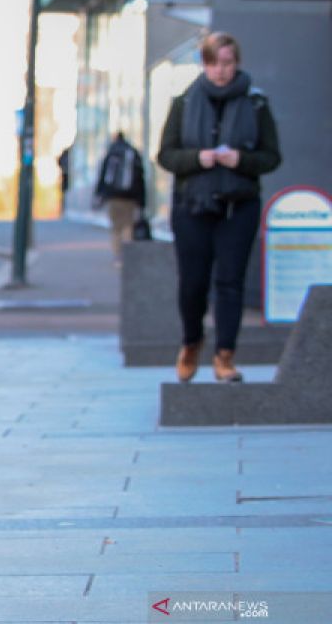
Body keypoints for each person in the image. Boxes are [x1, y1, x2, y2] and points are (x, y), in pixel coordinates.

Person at [157, 32, 281, 384]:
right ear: (204, 64)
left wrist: (240, 159)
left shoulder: (256, 104)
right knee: (193, 284)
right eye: (213, 63)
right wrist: (199, 158)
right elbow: (165, 155)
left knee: (230, 282)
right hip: (192, 205)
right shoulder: (184, 102)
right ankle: (192, 342)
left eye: (227, 63)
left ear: (237, 63)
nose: (221, 71)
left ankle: (225, 356)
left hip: (238, 206)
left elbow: (272, 157)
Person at [93, 132, 146, 265]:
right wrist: (142, 201)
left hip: (113, 197)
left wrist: (99, 195)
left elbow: (103, 176)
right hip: (130, 197)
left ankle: (118, 256)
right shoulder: (132, 153)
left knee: (116, 228)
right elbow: (140, 178)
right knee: (128, 226)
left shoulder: (111, 153)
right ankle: (127, 256)